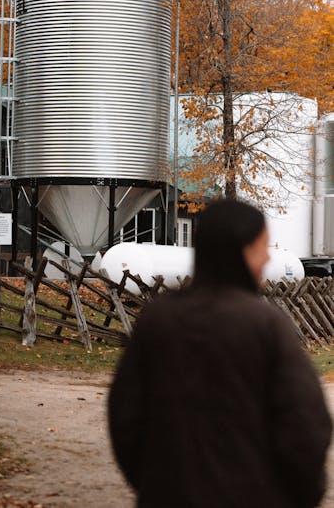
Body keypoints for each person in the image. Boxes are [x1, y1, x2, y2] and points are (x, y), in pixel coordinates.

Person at [108, 199, 332, 508]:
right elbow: (305, 422)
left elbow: (125, 414)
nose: (267, 257)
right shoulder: (265, 324)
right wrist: (300, 494)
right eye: (262, 247)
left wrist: (153, 481)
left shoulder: (158, 320)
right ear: (243, 250)